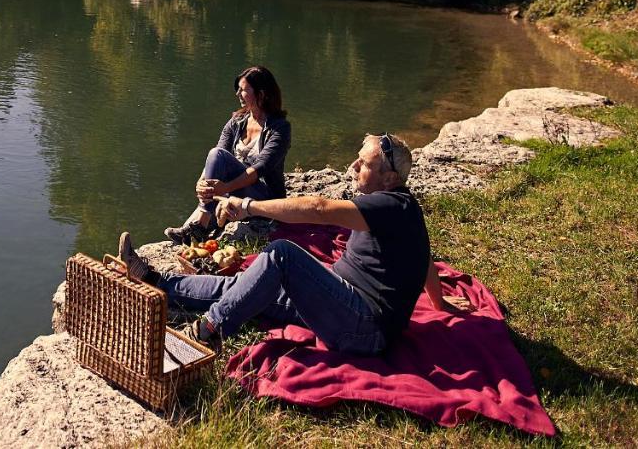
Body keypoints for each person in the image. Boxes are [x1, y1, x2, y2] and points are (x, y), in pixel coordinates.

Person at [121, 133, 466, 353]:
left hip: (362, 326)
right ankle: (155, 281)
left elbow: (319, 209)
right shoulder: (397, 207)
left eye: (364, 164)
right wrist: (439, 304)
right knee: (245, 283)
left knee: (282, 256)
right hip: (338, 302)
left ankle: (209, 329)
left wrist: (247, 206)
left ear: (389, 178)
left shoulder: (392, 205)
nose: (353, 165)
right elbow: (422, 256)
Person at [164, 66, 291, 245]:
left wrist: (225, 187)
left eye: (244, 90)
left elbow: (260, 168)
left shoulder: (280, 128)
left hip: (263, 197)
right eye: (237, 89)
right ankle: (196, 228)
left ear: (261, 94)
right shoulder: (236, 122)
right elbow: (216, 156)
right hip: (232, 190)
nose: (238, 94)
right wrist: (202, 183)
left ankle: (200, 223)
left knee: (218, 157)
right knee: (216, 155)